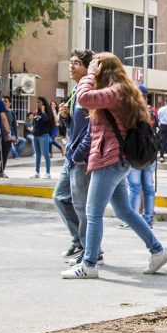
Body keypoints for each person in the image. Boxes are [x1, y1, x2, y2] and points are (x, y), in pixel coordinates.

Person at [61, 52, 167, 279]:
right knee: (124, 211)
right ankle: (158, 250)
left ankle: (89, 264)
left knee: (93, 213)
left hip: (109, 159)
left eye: (95, 68)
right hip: (115, 159)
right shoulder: (121, 90)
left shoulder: (115, 91)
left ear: (103, 69)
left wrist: (90, 74)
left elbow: (83, 98)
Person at [53, 49, 97, 262]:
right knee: (60, 197)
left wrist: (81, 154)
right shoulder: (76, 91)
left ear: (87, 67)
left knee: (82, 206)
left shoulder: (89, 92)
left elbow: (92, 128)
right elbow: (75, 127)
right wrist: (66, 118)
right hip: (72, 155)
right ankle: (80, 242)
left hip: (80, 158)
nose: (71, 67)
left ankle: (92, 252)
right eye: (70, 62)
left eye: (76, 63)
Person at [126, 84, 158, 229]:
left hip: (135, 154)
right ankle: (148, 220)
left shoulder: (132, 111)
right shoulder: (152, 111)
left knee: (134, 187)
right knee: (148, 188)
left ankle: (133, 221)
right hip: (149, 154)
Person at [0, 96, 23, 177]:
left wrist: (16, 137)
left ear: (10, 103)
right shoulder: (0, 112)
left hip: (8, 137)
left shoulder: (11, 113)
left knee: (5, 154)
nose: (4, 103)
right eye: (3, 101)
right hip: (0, 136)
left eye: (5, 101)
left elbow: (14, 126)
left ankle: (1, 171)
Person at [31, 96, 54, 179]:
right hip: (35, 136)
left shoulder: (47, 113)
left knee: (46, 154)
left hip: (44, 135)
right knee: (38, 155)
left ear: (43, 104)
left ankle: (48, 173)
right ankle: (37, 172)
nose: (37, 104)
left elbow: (47, 121)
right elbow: (34, 122)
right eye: (36, 102)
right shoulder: (36, 112)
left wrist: (43, 111)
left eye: (39, 102)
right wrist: (33, 130)